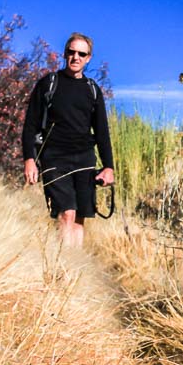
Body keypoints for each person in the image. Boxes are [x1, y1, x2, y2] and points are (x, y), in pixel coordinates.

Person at [21, 32, 114, 247]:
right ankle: (63, 269)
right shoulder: (48, 84)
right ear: (65, 54)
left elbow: (102, 132)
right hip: (54, 158)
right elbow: (30, 125)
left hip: (84, 160)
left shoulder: (93, 90)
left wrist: (108, 166)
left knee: (80, 217)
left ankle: (74, 270)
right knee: (66, 214)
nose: (76, 57)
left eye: (82, 54)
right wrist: (29, 159)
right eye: (71, 52)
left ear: (88, 58)